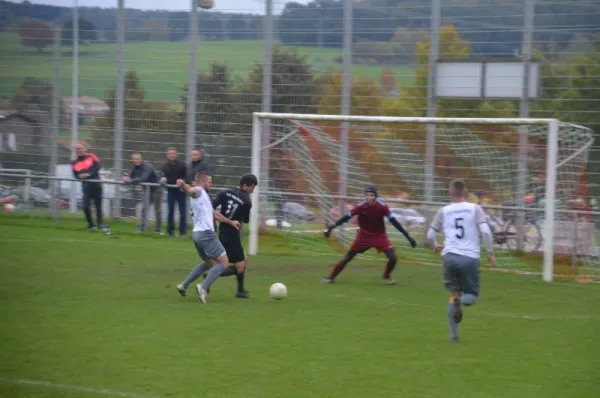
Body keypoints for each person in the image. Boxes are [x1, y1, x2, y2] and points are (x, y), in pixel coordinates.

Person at [426, 179, 496, 343]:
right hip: (469, 257)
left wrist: (436, 245)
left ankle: (454, 336)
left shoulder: (444, 210)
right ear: (465, 192)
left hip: (449, 257)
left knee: (453, 295)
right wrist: (490, 252)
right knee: (471, 296)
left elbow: (430, 234)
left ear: (450, 192)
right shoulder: (475, 208)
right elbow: (485, 232)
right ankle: (461, 302)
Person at [179, 173, 257, 299]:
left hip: (218, 232)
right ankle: (214, 283)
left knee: (210, 261)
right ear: (245, 186)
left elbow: (212, 209)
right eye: (252, 187)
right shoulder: (247, 201)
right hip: (229, 234)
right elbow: (246, 220)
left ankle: (185, 284)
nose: (253, 190)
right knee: (237, 265)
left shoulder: (224, 193)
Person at [322, 186, 417, 285]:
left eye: (371, 195)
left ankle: (386, 276)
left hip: (379, 236)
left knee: (393, 258)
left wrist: (408, 237)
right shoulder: (360, 206)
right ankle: (331, 278)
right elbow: (346, 218)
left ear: (376, 196)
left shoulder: (382, 206)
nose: (369, 197)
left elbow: (394, 222)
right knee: (348, 257)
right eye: (367, 195)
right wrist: (332, 227)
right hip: (363, 236)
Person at [123, 152, 162, 234]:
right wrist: (126, 177)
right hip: (146, 190)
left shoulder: (147, 166)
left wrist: (131, 180)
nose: (135, 161)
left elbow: (144, 178)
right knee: (144, 209)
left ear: (141, 159)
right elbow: (131, 175)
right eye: (134, 159)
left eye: (137, 159)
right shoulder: (134, 167)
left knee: (157, 210)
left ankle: (158, 230)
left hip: (156, 190)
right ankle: (142, 228)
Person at [71, 142, 103, 229]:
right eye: (77, 149)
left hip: (96, 185)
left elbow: (97, 167)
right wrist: (79, 176)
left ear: (85, 149)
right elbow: (75, 175)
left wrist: (88, 174)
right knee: (85, 207)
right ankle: (90, 224)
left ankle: (99, 224)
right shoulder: (74, 162)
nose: (79, 150)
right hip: (86, 186)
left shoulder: (92, 156)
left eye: (81, 148)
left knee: (98, 206)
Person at [160, 147, 188, 237]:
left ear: (176, 155)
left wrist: (182, 181)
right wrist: (162, 180)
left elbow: (187, 177)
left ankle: (182, 232)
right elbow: (160, 176)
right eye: (170, 153)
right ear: (167, 155)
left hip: (181, 192)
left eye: (173, 153)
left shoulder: (182, 165)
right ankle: (170, 231)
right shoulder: (164, 166)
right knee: (170, 212)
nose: (172, 155)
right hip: (170, 192)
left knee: (182, 212)